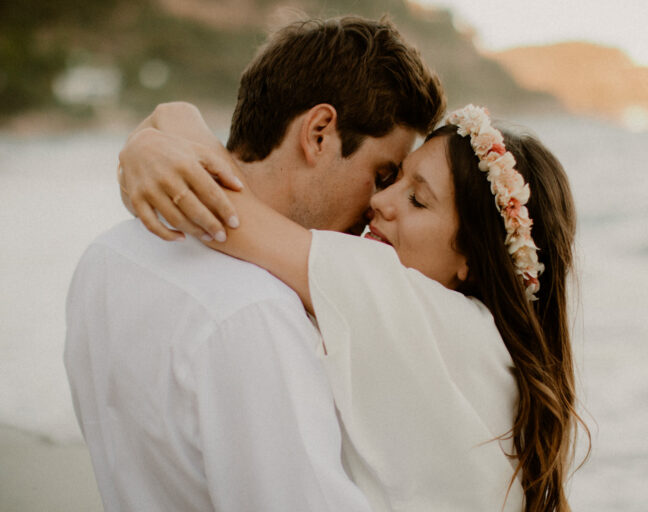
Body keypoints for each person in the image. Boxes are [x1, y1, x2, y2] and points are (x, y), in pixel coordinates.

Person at [119, 102, 588, 511]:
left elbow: (223, 214)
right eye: (392, 178)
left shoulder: (415, 308)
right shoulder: (487, 346)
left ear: (474, 258)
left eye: (417, 200)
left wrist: (167, 123)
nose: (379, 201)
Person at [64, 16, 445, 512]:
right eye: (382, 173)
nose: (379, 204)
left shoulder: (108, 255)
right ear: (319, 133)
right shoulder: (260, 313)